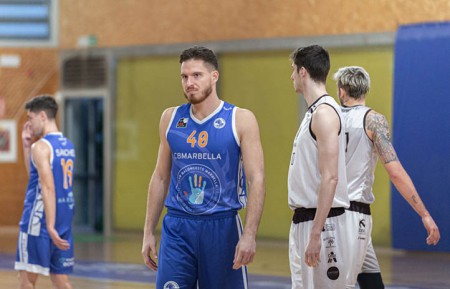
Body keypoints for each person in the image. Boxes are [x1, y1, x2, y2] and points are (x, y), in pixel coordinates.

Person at [141, 46, 265, 289]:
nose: (189, 82)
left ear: (214, 76)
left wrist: (249, 235)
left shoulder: (240, 118)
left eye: (197, 75)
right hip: (177, 226)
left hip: (222, 227)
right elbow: (160, 177)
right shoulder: (170, 118)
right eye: (184, 77)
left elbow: (256, 179)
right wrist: (148, 232)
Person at [334, 66, 440, 289]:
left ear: (342, 91)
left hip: (332, 213)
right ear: (366, 89)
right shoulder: (373, 121)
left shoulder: (326, 117)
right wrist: (424, 214)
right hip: (352, 214)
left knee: (372, 281)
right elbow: (395, 171)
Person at [287, 45, 350, 289]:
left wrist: (315, 233)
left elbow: (331, 178)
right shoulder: (313, 112)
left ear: (303, 72)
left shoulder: (324, 114)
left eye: (293, 70)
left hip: (323, 224)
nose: (291, 76)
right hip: (306, 220)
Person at [15, 95, 76, 289]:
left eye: (30, 118)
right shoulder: (68, 146)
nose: (29, 124)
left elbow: (47, 187)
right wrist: (26, 146)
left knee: (27, 281)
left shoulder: (41, 147)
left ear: (42, 116)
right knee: (60, 280)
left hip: (38, 221)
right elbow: (36, 177)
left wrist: (49, 226)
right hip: (63, 220)